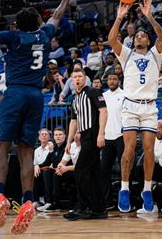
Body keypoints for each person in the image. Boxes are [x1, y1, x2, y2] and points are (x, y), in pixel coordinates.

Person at [0, 0, 78, 234]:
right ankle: (26, 201)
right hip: (36, 97)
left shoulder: (13, 37)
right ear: (37, 21)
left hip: (14, 94)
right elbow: (56, 16)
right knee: (26, 151)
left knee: (1, 147)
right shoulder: (44, 34)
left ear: (18, 25)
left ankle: (0, 196)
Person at [107, 0, 162, 213]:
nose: (140, 36)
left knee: (150, 149)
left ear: (148, 41)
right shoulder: (127, 54)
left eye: (143, 35)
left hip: (149, 107)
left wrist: (149, 16)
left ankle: (147, 189)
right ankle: (124, 189)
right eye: (138, 35)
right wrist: (119, 19)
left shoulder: (155, 54)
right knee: (129, 150)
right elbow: (112, 39)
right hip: (131, 106)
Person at [63, 68, 108, 220]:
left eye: (80, 76)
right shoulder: (75, 99)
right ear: (71, 80)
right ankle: (99, 209)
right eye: (74, 77)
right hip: (84, 136)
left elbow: (103, 111)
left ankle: (82, 207)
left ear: (85, 78)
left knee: (80, 170)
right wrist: (68, 142)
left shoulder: (93, 92)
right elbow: (74, 121)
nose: (77, 79)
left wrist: (101, 133)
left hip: (93, 134)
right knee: (94, 174)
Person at [100, 73, 125, 210]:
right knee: (104, 170)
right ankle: (107, 202)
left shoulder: (125, 94)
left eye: (114, 79)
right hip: (106, 137)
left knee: (124, 170)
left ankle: (125, 201)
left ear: (119, 81)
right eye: (109, 79)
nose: (112, 81)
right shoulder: (103, 96)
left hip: (121, 136)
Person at [33, 128, 54, 211]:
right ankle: (36, 200)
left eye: (46, 134)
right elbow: (35, 163)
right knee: (33, 173)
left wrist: (38, 166)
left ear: (49, 137)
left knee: (45, 173)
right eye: (42, 134)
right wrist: (35, 166)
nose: (44, 136)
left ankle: (47, 201)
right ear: (39, 138)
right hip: (40, 171)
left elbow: (50, 162)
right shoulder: (36, 150)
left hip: (49, 170)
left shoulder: (52, 147)